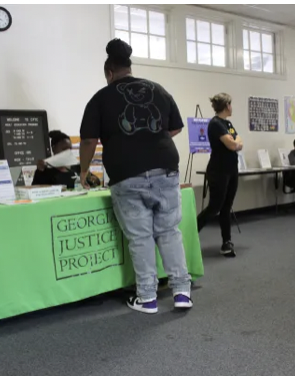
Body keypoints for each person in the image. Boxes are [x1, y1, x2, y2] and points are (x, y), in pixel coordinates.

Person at [79, 38, 192, 314]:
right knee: (169, 231)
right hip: (166, 168)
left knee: (140, 237)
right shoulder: (158, 89)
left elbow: (88, 140)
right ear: (130, 67)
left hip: (126, 174)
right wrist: (151, 138)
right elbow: (175, 128)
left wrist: (83, 171)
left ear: (108, 72)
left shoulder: (100, 97)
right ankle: (181, 292)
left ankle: (148, 298)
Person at [196, 93, 242, 257]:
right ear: (226, 105)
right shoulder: (215, 124)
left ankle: (226, 242)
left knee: (226, 207)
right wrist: (234, 142)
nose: (232, 107)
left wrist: (234, 142)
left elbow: (239, 141)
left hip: (232, 170)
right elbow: (231, 144)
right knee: (214, 207)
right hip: (218, 171)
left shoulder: (227, 123)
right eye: (230, 104)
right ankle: (189, 235)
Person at [33, 130, 100, 189]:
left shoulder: (76, 167)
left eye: (70, 149)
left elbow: (96, 182)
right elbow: (35, 190)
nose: (68, 152)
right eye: (64, 149)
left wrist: (89, 176)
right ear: (53, 148)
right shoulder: (45, 171)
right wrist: (40, 171)